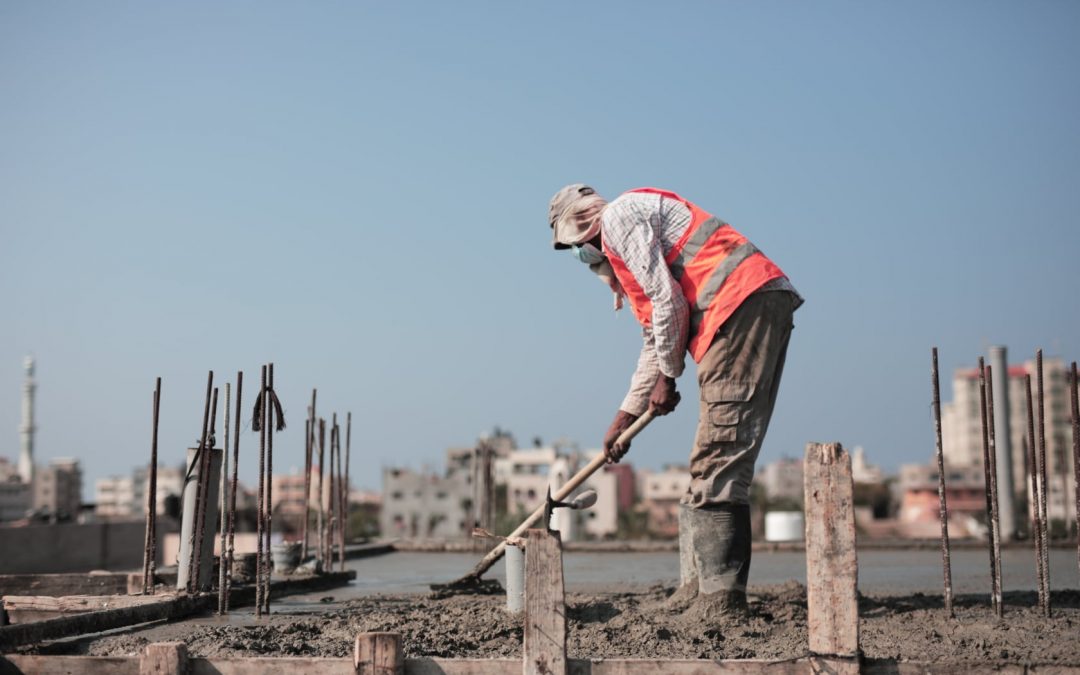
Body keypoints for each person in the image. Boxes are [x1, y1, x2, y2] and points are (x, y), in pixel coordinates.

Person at [547, 184, 802, 617]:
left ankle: (720, 600)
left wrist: (669, 377)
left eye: (576, 250)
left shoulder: (620, 218)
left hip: (739, 304)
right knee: (709, 456)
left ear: (584, 230)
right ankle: (695, 588)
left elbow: (670, 306)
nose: (584, 260)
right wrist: (623, 417)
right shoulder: (629, 256)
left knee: (720, 451)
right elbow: (655, 338)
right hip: (743, 305)